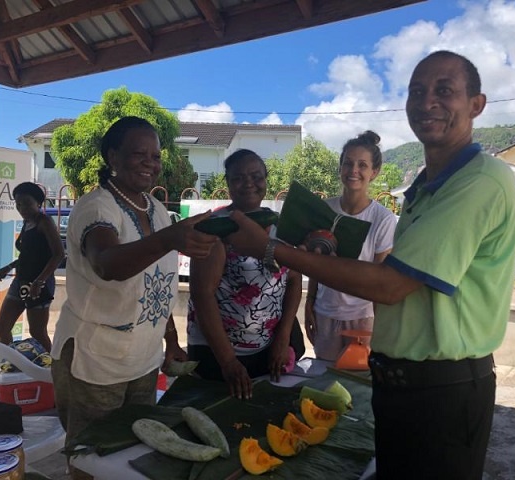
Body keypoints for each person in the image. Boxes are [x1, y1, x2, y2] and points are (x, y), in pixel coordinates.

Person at [225, 50, 515, 479]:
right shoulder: (424, 188)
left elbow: (390, 284)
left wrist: (273, 250)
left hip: (441, 388)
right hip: (401, 381)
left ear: (476, 104)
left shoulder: (478, 180)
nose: (427, 102)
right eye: (417, 91)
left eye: (444, 90)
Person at [50, 116, 218, 450]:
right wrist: (170, 238)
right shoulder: (96, 207)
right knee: (91, 454)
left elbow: (158, 285)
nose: (150, 163)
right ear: (112, 157)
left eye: (155, 156)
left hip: (143, 358)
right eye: (138, 154)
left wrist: (170, 339)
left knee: (133, 449)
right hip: (95, 359)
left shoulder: (156, 208)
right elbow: (107, 263)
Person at [187, 149, 302, 400]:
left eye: (256, 176)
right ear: (227, 183)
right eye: (238, 178)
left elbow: (293, 279)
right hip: (218, 353)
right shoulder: (215, 228)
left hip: (268, 347)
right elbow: (202, 295)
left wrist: (283, 338)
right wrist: (228, 362)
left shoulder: (283, 227)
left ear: (266, 180)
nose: (249, 183)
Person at [305, 131, 397, 361]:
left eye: (362, 165)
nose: (353, 170)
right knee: (325, 382)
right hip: (324, 313)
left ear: (374, 173)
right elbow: (316, 263)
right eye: (348, 163)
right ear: (340, 168)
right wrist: (309, 303)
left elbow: (381, 279)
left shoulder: (382, 219)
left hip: (363, 317)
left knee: (358, 383)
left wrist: (382, 329)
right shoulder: (325, 210)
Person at [0, 182, 65, 352]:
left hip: (39, 284)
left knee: (37, 332)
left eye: (26, 203)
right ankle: (7, 362)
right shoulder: (27, 223)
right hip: (21, 281)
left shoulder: (44, 222)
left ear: (38, 203)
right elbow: (28, 255)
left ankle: (54, 369)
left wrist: (39, 281)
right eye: (18, 204)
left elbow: (59, 254)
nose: (21, 208)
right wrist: (8, 267)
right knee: (1, 328)